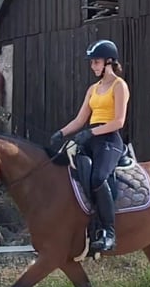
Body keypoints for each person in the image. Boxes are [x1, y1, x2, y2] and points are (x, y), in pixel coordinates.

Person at [50, 39, 130, 252]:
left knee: (98, 177)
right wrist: (61, 133)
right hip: (91, 140)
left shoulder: (119, 86)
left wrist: (90, 132)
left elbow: (119, 121)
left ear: (109, 62)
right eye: (92, 63)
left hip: (110, 140)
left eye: (96, 62)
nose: (93, 66)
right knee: (67, 167)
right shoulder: (93, 89)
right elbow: (79, 120)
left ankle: (109, 233)